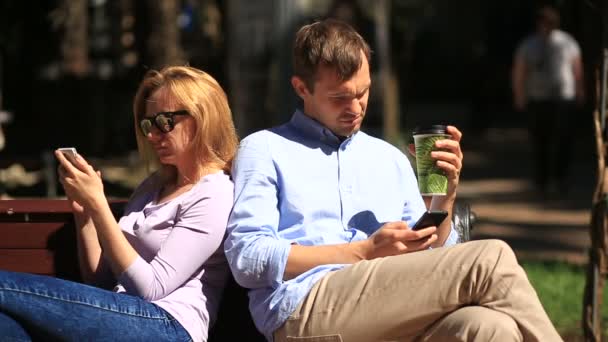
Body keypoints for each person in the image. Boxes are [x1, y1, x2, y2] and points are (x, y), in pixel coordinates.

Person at [225, 19, 562, 341]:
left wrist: (444, 197)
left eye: (364, 92)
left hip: (392, 307)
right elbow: (248, 258)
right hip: (306, 308)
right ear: (302, 88)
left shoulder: (389, 158)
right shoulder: (265, 148)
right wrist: (363, 252)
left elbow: (434, 255)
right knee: (490, 257)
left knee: (489, 326)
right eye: (341, 97)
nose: (356, 107)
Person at [0, 66, 238, 342]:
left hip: (169, 327)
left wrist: (100, 204)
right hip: (124, 317)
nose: (152, 135)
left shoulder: (215, 192)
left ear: (202, 117)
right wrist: (86, 215)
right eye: (148, 124)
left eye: (165, 121)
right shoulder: (152, 186)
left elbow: (152, 287)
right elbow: (100, 281)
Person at [512, 5, 584, 195]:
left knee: (563, 140)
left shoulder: (567, 42)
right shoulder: (529, 44)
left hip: (563, 98)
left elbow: (576, 68)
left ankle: (561, 179)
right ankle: (541, 182)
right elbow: (520, 71)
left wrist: (580, 90)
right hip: (538, 99)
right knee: (540, 141)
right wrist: (520, 95)